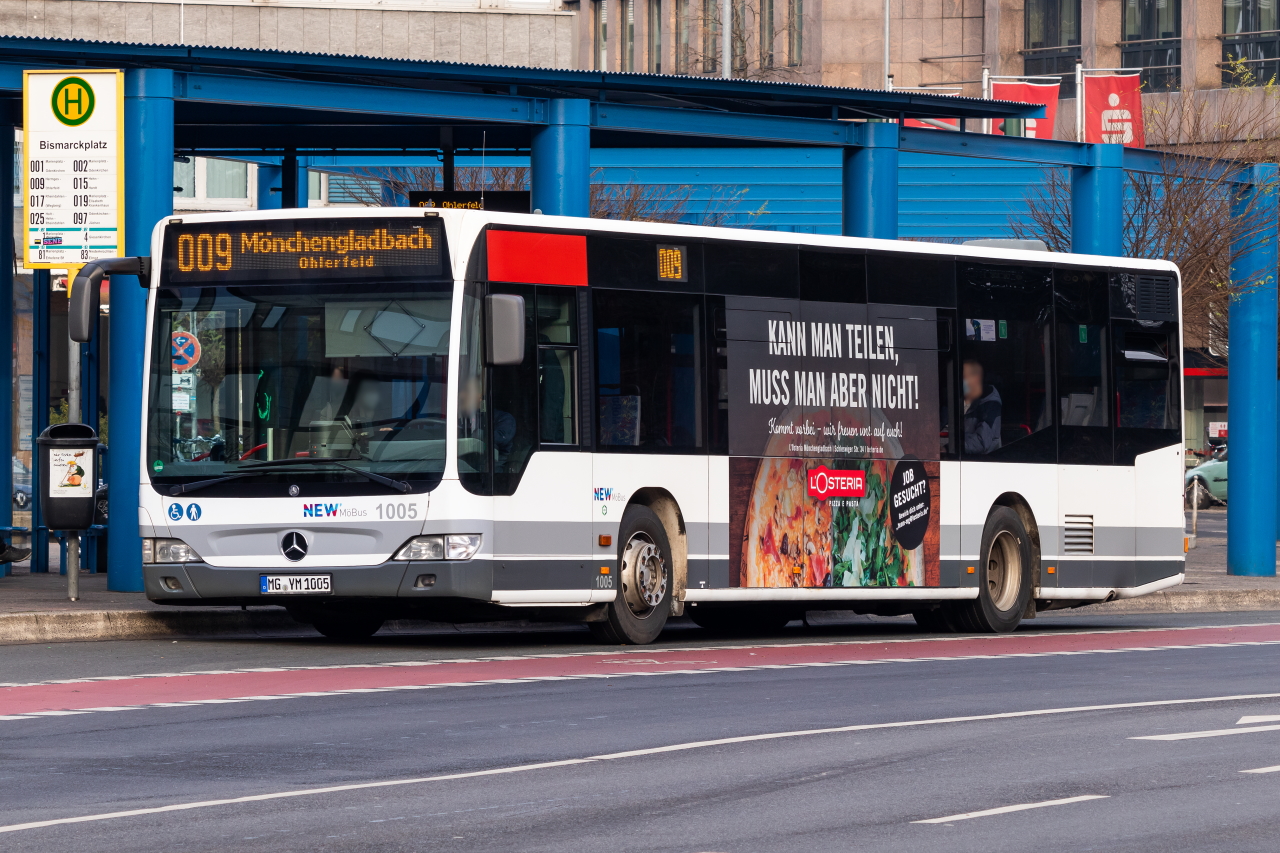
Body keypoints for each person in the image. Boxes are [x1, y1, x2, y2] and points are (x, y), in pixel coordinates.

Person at [458, 374, 516, 468]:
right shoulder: (461, 420)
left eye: (467, 391)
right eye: (460, 391)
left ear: (480, 397)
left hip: (492, 475)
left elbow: (496, 439)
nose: (461, 395)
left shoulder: (504, 419)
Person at [962, 359, 1002, 455]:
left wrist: (950, 447)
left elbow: (981, 442)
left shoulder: (990, 404)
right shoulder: (954, 397)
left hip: (982, 461)